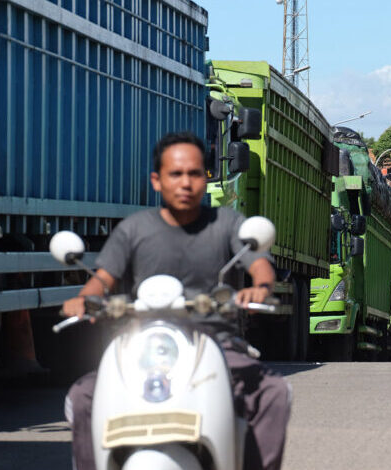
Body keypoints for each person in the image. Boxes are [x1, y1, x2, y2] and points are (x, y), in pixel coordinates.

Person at [62, 132, 291, 470]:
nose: (186, 183)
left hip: (217, 343)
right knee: (82, 398)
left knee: (273, 393)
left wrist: (261, 286)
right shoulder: (134, 229)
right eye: (175, 174)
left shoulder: (226, 222)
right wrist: (84, 300)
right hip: (142, 349)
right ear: (157, 180)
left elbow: (258, 263)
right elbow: (101, 279)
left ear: (206, 177)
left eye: (195, 173)